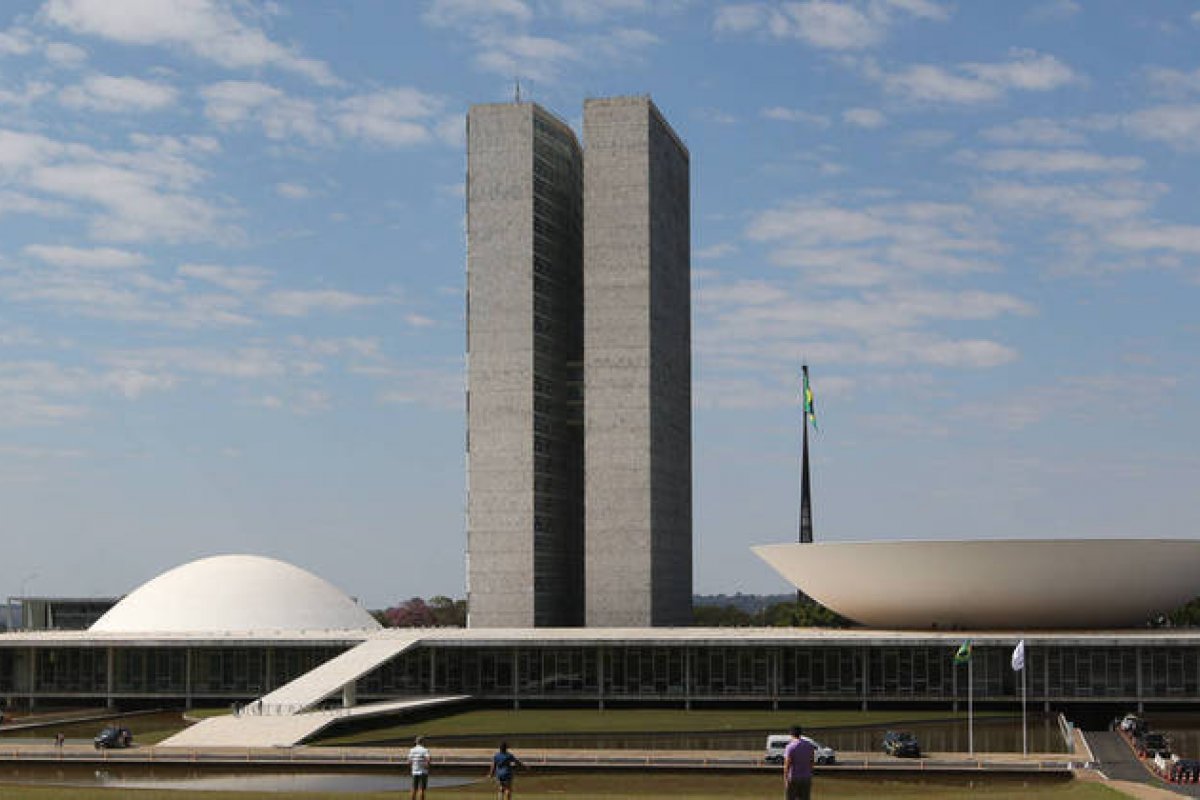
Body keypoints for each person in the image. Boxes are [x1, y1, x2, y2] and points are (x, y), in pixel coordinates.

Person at [783, 725, 816, 800]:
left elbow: (787, 765)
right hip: (806, 777)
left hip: (793, 778)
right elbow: (812, 762)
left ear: (791, 734)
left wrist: (785, 779)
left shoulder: (790, 747)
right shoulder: (809, 745)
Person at [408, 735, 430, 800]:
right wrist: (427, 766)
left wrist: (413, 766)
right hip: (423, 771)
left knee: (414, 788)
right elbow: (428, 759)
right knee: (422, 789)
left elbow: (409, 761)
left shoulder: (412, 750)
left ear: (416, 742)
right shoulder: (425, 750)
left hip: (414, 771)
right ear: (423, 742)